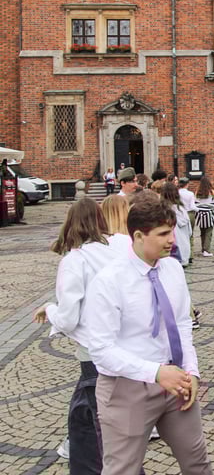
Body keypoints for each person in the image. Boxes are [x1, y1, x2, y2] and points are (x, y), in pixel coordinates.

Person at [82, 197, 211, 474]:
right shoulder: (109, 281)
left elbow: (181, 324)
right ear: (138, 236)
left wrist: (191, 370)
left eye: (172, 231)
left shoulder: (173, 269)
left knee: (197, 462)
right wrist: (154, 372)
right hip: (126, 387)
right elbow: (101, 350)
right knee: (122, 469)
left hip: (175, 381)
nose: (172, 240)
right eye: (163, 234)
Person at [32, 198, 114, 475]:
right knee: (81, 419)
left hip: (94, 352)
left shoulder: (75, 260)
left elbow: (68, 317)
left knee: (99, 427)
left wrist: (50, 309)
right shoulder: (116, 250)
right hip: (122, 346)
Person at [161, 182, 191, 266]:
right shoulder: (181, 209)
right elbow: (190, 231)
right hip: (184, 248)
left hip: (170, 251)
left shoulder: (162, 210)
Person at [194, 176, 214, 257]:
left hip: (200, 214)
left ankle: (203, 248)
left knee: (202, 232)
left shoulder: (197, 192)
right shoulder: (212, 191)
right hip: (209, 214)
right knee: (208, 233)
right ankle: (206, 250)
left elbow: (195, 203)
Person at [178, 178, 198, 263]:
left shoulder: (177, 193)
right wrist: (198, 209)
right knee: (190, 234)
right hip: (189, 213)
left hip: (179, 214)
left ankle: (182, 254)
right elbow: (192, 206)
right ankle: (190, 255)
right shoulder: (190, 194)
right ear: (187, 184)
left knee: (181, 235)